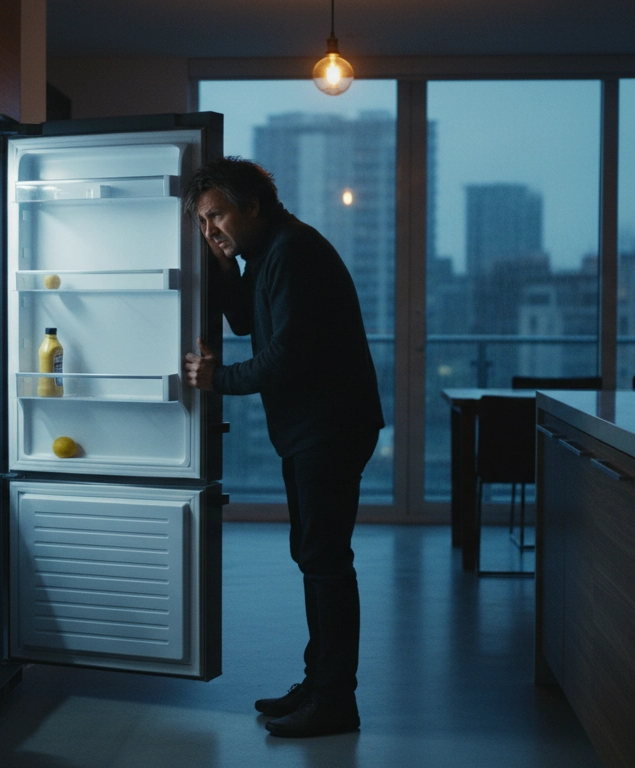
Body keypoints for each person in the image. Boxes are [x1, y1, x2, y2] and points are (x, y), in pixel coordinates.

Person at [182, 157, 384, 738]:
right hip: (315, 428)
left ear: (253, 205)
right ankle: (318, 684)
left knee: (325, 563)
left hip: (329, 427)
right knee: (315, 558)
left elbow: (285, 356)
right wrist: (221, 263)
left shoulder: (293, 251)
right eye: (202, 222)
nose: (210, 229)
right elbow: (247, 318)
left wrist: (216, 379)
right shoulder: (271, 253)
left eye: (216, 215)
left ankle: (334, 702)